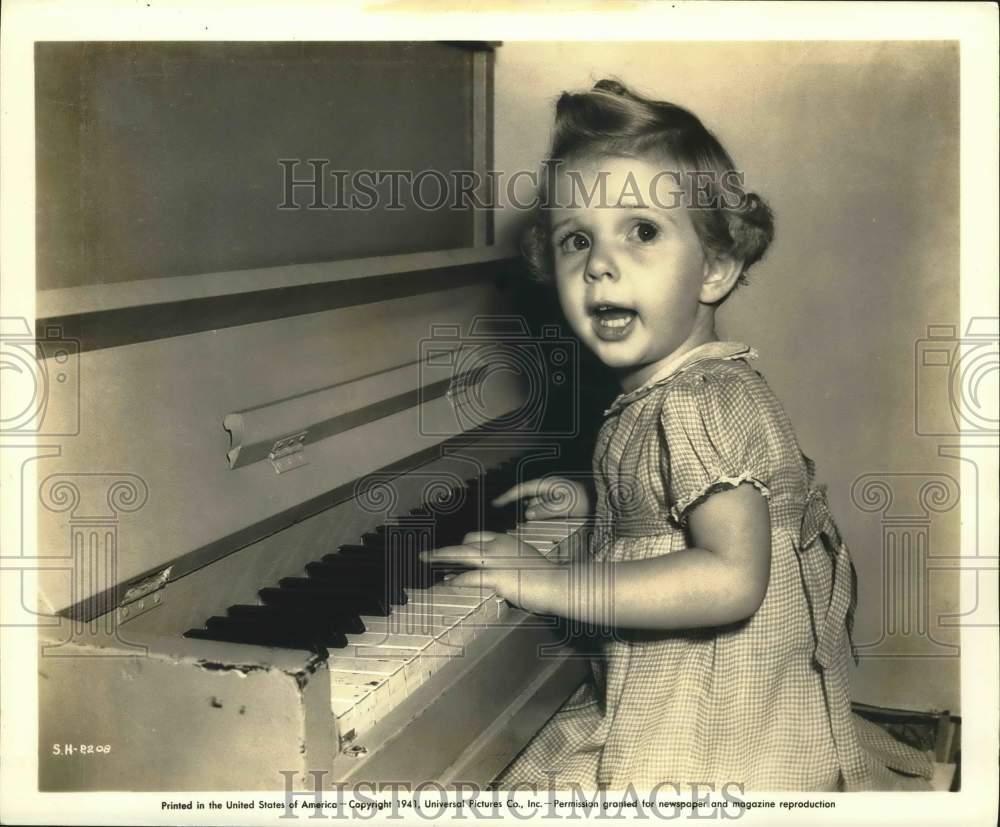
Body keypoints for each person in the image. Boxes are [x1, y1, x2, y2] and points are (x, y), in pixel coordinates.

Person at [423, 80, 934, 791]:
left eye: (642, 231)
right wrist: (597, 507)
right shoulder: (674, 389)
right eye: (577, 239)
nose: (600, 263)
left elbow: (729, 579)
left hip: (720, 731)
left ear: (716, 268)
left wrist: (554, 580)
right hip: (713, 692)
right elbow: (671, 519)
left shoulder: (698, 402)